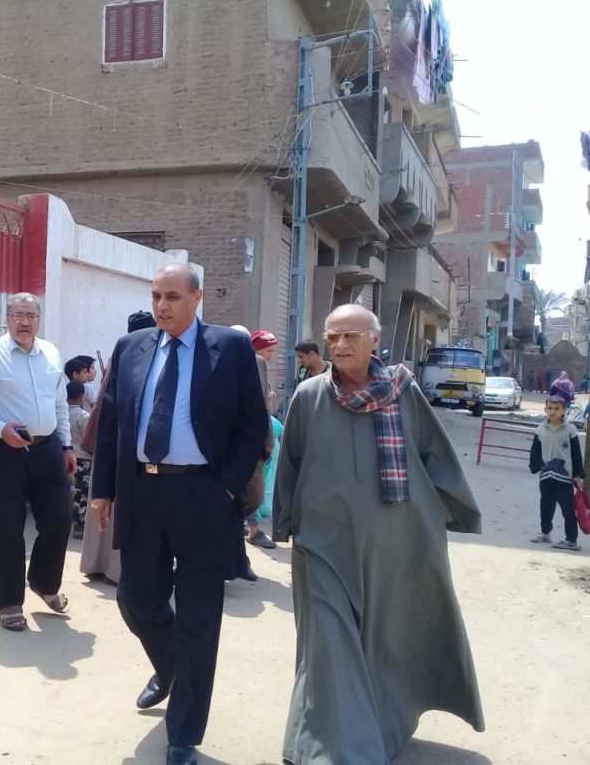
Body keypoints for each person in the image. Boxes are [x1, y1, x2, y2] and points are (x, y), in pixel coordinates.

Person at [274, 304, 484, 765]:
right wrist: (286, 521)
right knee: (328, 641)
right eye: (332, 337)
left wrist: (453, 513)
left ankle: (380, 728)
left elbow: (435, 455)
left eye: (350, 336)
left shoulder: (404, 393)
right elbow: (289, 463)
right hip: (323, 544)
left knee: (381, 642)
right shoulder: (309, 396)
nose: (340, 345)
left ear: (375, 340)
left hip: (393, 542)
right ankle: (328, 748)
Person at [91, 263, 268, 765]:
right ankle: (170, 666)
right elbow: (112, 424)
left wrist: (225, 489)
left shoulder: (230, 348)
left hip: (202, 496)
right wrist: (104, 490)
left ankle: (184, 734)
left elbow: (251, 425)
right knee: (135, 599)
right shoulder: (132, 347)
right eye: (155, 296)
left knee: (199, 620)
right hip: (143, 493)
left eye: (172, 296)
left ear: (197, 297)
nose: (161, 306)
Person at [0, 292, 77, 632]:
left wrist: (66, 445)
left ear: (39, 320)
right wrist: (1, 429)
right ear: (7, 318)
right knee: (7, 528)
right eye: (18, 315)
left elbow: (59, 404)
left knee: (59, 521)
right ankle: (9, 602)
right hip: (5, 451)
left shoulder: (51, 353)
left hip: (48, 449)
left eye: (31, 316)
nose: (24, 322)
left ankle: (43, 581)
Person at [79, 310, 157, 586]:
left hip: (107, 438)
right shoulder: (135, 354)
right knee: (115, 502)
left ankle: (95, 563)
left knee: (103, 499)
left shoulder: (120, 352)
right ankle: (115, 569)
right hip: (122, 440)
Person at [231, 324, 276, 565]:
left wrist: (267, 439)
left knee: (253, 492)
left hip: (250, 442)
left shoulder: (256, 363)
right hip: (225, 444)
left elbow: (261, 406)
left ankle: (253, 531)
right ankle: (239, 557)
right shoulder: (215, 360)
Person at [530, 395, 584, 551]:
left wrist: (577, 475)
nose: (553, 411)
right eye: (550, 408)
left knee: (568, 508)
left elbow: (576, 454)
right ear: (545, 409)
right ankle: (545, 534)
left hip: (564, 478)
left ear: (564, 410)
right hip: (546, 476)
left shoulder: (570, 430)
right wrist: (538, 466)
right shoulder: (540, 429)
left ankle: (571, 540)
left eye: (557, 409)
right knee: (545, 506)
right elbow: (535, 452)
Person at [67, 381, 93, 539]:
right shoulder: (84, 416)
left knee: (70, 490)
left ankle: (71, 521)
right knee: (82, 492)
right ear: (83, 397)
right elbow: (88, 439)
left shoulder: (62, 414)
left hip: (66, 456)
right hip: (82, 459)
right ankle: (80, 525)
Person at [250, 330, 279, 414]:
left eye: (273, 351)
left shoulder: (262, 367)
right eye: (269, 351)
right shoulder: (249, 369)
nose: (271, 355)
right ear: (256, 349)